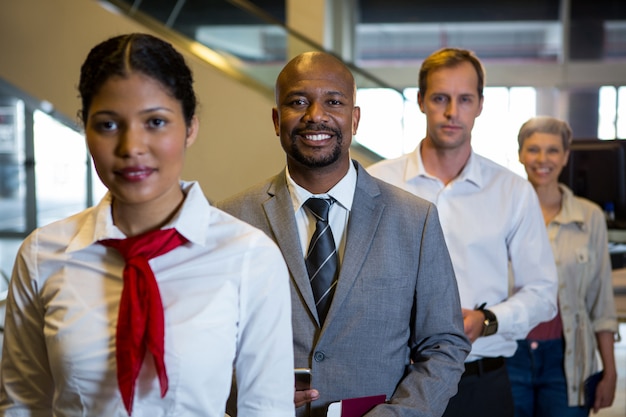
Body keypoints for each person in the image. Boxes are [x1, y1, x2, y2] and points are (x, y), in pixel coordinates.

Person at [0, 33, 295, 417]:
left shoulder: (248, 257)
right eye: (107, 125)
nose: (131, 147)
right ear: (85, 129)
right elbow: (23, 405)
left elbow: (266, 410)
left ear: (190, 127)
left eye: (155, 122)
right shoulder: (44, 254)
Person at [216, 51, 471, 417]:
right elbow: (205, 345)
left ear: (354, 119)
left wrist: (399, 414)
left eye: (332, 102)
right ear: (276, 120)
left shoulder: (415, 220)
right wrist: (246, 396)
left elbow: (444, 345)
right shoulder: (229, 220)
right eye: (298, 102)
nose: (315, 115)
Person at [367, 47, 559, 417]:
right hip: (394, 383)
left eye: (465, 99)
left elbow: (543, 292)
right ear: (421, 101)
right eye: (440, 98)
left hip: (482, 383)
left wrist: (487, 321)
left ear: (481, 105)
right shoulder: (376, 182)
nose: (453, 112)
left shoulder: (512, 190)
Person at [506, 116, 618, 416]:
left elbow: (600, 300)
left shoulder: (589, 217)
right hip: (507, 353)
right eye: (533, 150)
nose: (543, 159)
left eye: (553, 150)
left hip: (566, 357)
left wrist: (610, 370)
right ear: (520, 154)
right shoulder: (501, 212)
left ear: (566, 155)